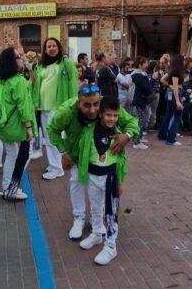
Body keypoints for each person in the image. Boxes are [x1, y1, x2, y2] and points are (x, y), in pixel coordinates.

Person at [47, 84, 139, 240]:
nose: (92, 110)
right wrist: (63, 152)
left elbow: (132, 122)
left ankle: (95, 219)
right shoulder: (66, 112)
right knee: (76, 182)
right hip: (77, 155)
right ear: (78, 103)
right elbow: (52, 130)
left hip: (101, 157)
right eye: (86, 105)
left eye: (96, 104)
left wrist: (127, 135)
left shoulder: (106, 105)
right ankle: (78, 218)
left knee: (101, 188)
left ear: (100, 100)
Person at [76, 97, 128, 265]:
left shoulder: (119, 134)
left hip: (110, 178)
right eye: (108, 115)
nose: (112, 118)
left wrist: (120, 181)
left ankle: (111, 246)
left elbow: (122, 160)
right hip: (92, 176)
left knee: (111, 212)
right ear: (100, 114)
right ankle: (97, 233)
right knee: (96, 207)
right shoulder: (89, 130)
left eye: (115, 115)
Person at [0, 48, 36, 201]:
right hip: (16, 126)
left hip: (2, 125)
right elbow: (24, 107)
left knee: (11, 154)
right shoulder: (18, 81)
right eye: (18, 56)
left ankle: (8, 186)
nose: (21, 58)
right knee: (22, 155)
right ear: (12, 61)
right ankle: (11, 187)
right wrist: (29, 128)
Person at [33, 37, 78, 180]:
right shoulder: (41, 65)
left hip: (58, 107)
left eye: (54, 45)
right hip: (44, 108)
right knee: (48, 138)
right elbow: (37, 85)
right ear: (45, 50)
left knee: (54, 137)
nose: (51, 48)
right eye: (48, 46)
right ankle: (55, 164)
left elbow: (73, 84)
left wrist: (73, 104)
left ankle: (57, 168)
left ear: (58, 47)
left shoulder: (66, 63)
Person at [158, 54, 184, 146]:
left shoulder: (171, 71)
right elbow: (175, 86)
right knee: (177, 116)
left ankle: (162, 135)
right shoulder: (176, 71)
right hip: (175, 94)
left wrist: (169, 85)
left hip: (170, 93)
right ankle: (171, 139)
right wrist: (177, 101)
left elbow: (162, 79)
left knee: (168, 115)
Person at [130, 56, 151, 149]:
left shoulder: (142, 74)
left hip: (141, 101)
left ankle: (140, 137)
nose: (147, 65)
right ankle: (136, 142)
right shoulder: (137, 75)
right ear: (140, 64)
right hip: (137, 101)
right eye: (145, 63)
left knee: (141, 120)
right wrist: (152, 80)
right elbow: (146, 88)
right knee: (138, 121)